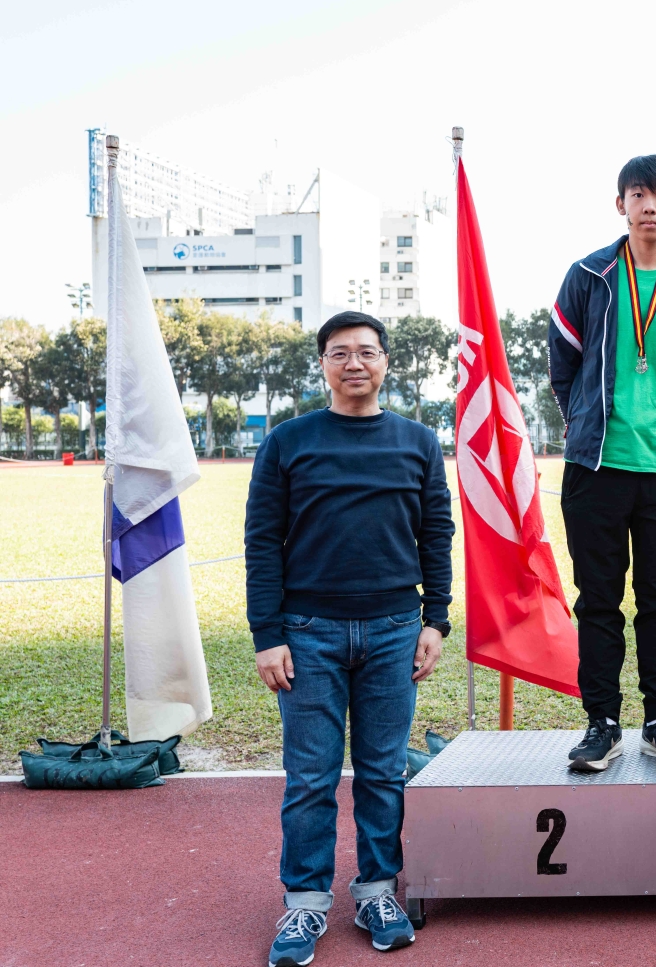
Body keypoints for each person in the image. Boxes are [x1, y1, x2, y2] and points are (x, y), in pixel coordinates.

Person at [246, 311, 455, 965]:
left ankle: (376, 891)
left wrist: (436, 619)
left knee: (382, 771)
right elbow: (262, 541)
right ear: (323, 365)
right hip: (308, 633)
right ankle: (305, 902)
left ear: (385, 361)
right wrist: (267, 634)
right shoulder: (287, 442)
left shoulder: (418, 442)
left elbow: (436, 534)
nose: (354, 363)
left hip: (395, 630)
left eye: (366, 351)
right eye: (340, 353)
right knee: (310, 776)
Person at [549, 154, 656, 773]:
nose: (649, 206)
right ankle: (601, 723)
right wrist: (587, 425)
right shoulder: (588, 276)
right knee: (597, 602)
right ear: (620, 203)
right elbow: (563, 365)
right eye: (638, 194)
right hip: (596, 469)